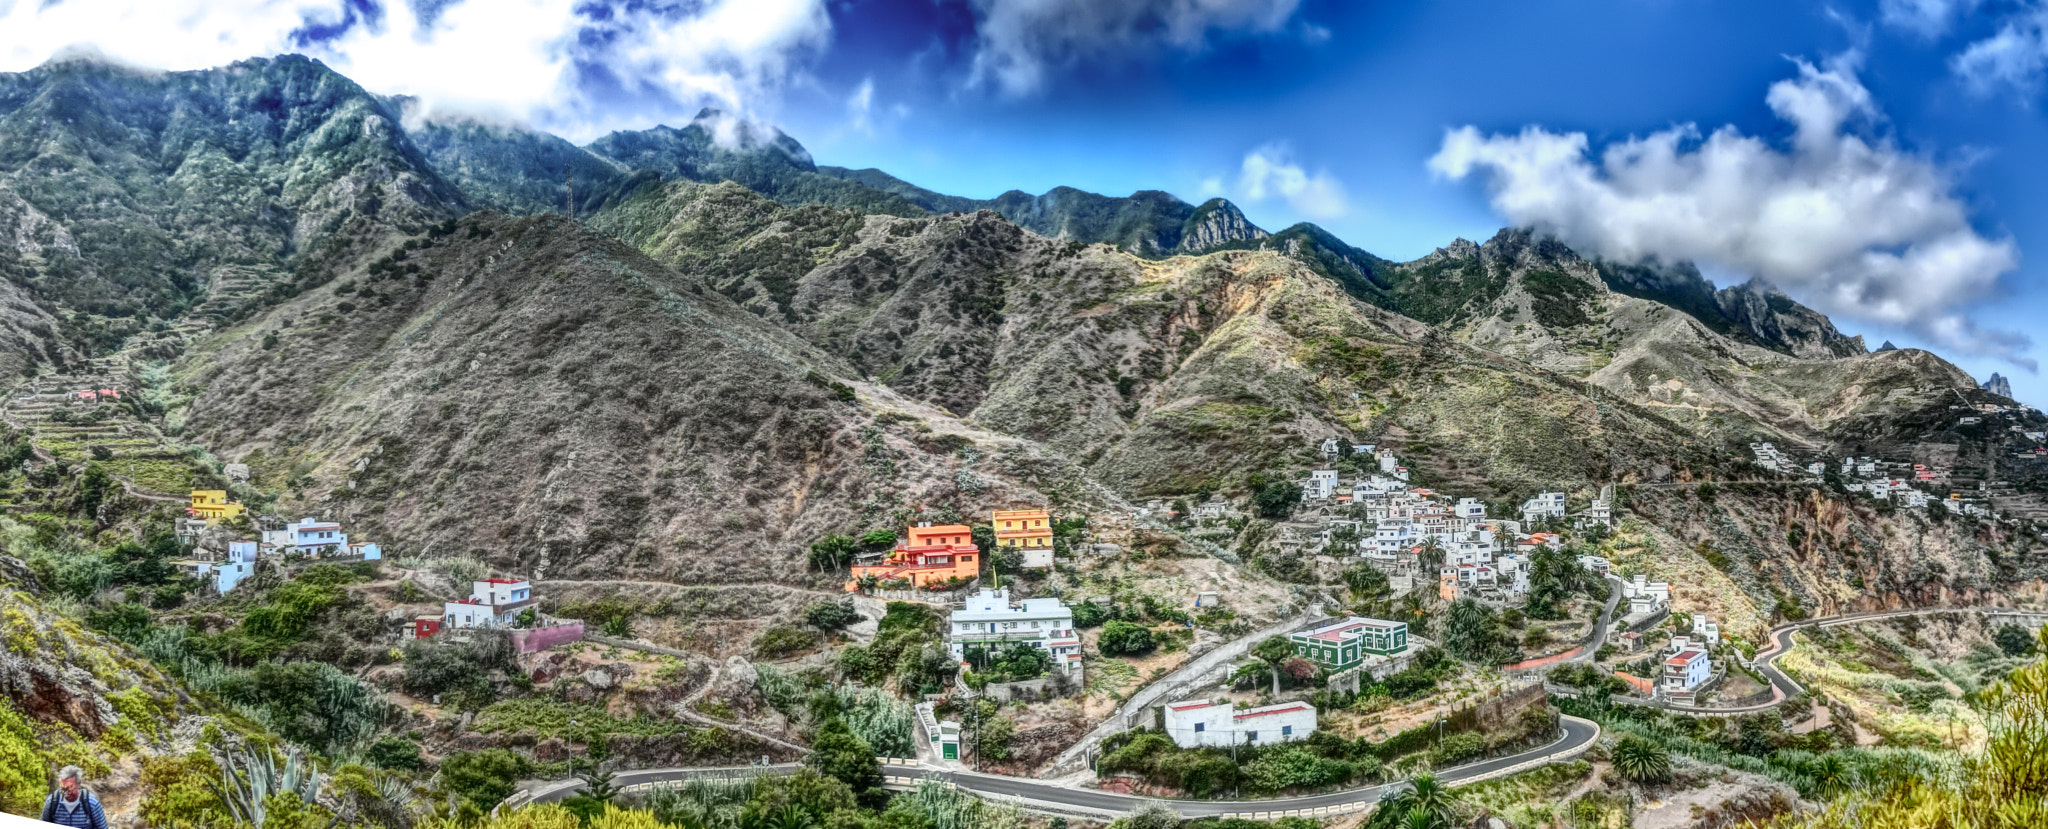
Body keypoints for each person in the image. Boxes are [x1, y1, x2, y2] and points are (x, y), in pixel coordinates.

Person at [39, 766, 108, 829]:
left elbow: (102, 827)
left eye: (70, 787)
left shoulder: (91, 802)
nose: (66, 792)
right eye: (63, 788)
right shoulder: (52, 801)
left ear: (79, 783)